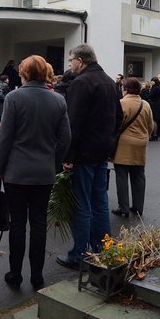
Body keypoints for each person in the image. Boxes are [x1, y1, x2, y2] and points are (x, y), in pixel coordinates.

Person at [0, 55, 70, 289]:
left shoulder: (14, 98)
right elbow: (65, 138)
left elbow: (4, 137)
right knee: (38, 224)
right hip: (44, 172)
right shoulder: (58, 100)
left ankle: (14, 274)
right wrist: (55, 163)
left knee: (17, 223)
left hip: (16, 172)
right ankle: (37, 275)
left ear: (24, 74)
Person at [56, 44, 122, 270]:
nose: (69, 64)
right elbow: (118, 119)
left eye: (70, 60)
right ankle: (104, 248)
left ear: (80, 61)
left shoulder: (81, 83)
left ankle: (78, 254)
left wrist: (68, 156)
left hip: (83, 153)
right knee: (100, 201)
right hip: (101, 151)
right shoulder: (109, 82)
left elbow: (73, 123)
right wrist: (110, 146)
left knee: (82, 204)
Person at [111, 77, 155, 219]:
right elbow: (150, 125)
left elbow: (116, 124)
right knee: (139, 175)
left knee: (121, 176)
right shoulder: (145, 104)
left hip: (123, 143)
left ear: (125, 89)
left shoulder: (121, 103)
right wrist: (144, 136)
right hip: (141, 143)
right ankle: (138, 207)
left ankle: (123, 207)